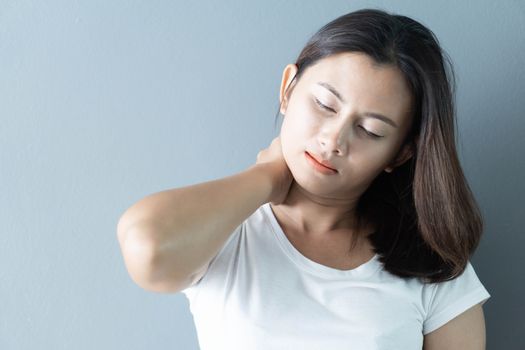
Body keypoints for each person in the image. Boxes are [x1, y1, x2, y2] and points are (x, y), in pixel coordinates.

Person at [117, 8, 491, 350]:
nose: (333, 140)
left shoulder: (429, 263)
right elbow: (147, 248)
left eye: (371, 130)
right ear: (288, 88)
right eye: (325, 105)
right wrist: (268, 176)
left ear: (400, 153)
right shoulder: (224, 231)